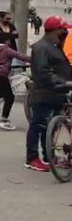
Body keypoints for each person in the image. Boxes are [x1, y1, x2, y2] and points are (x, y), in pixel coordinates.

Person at [25, 16, 72, 172]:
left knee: (50, 128)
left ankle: (48, 156)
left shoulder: (54, 47)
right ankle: (32, 158)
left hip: (57, 94)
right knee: (38, 126)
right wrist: (62, 82)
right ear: (55, 30)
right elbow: (42, 71)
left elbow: (63, 68)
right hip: (44, 93)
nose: (65, 32)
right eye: (63, 30)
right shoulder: (41, 48)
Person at [0, 41, 30, 131]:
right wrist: (35, 59)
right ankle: (4, 119)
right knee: (10, 98)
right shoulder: (6, 49)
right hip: (0, 76)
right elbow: (20, 56)